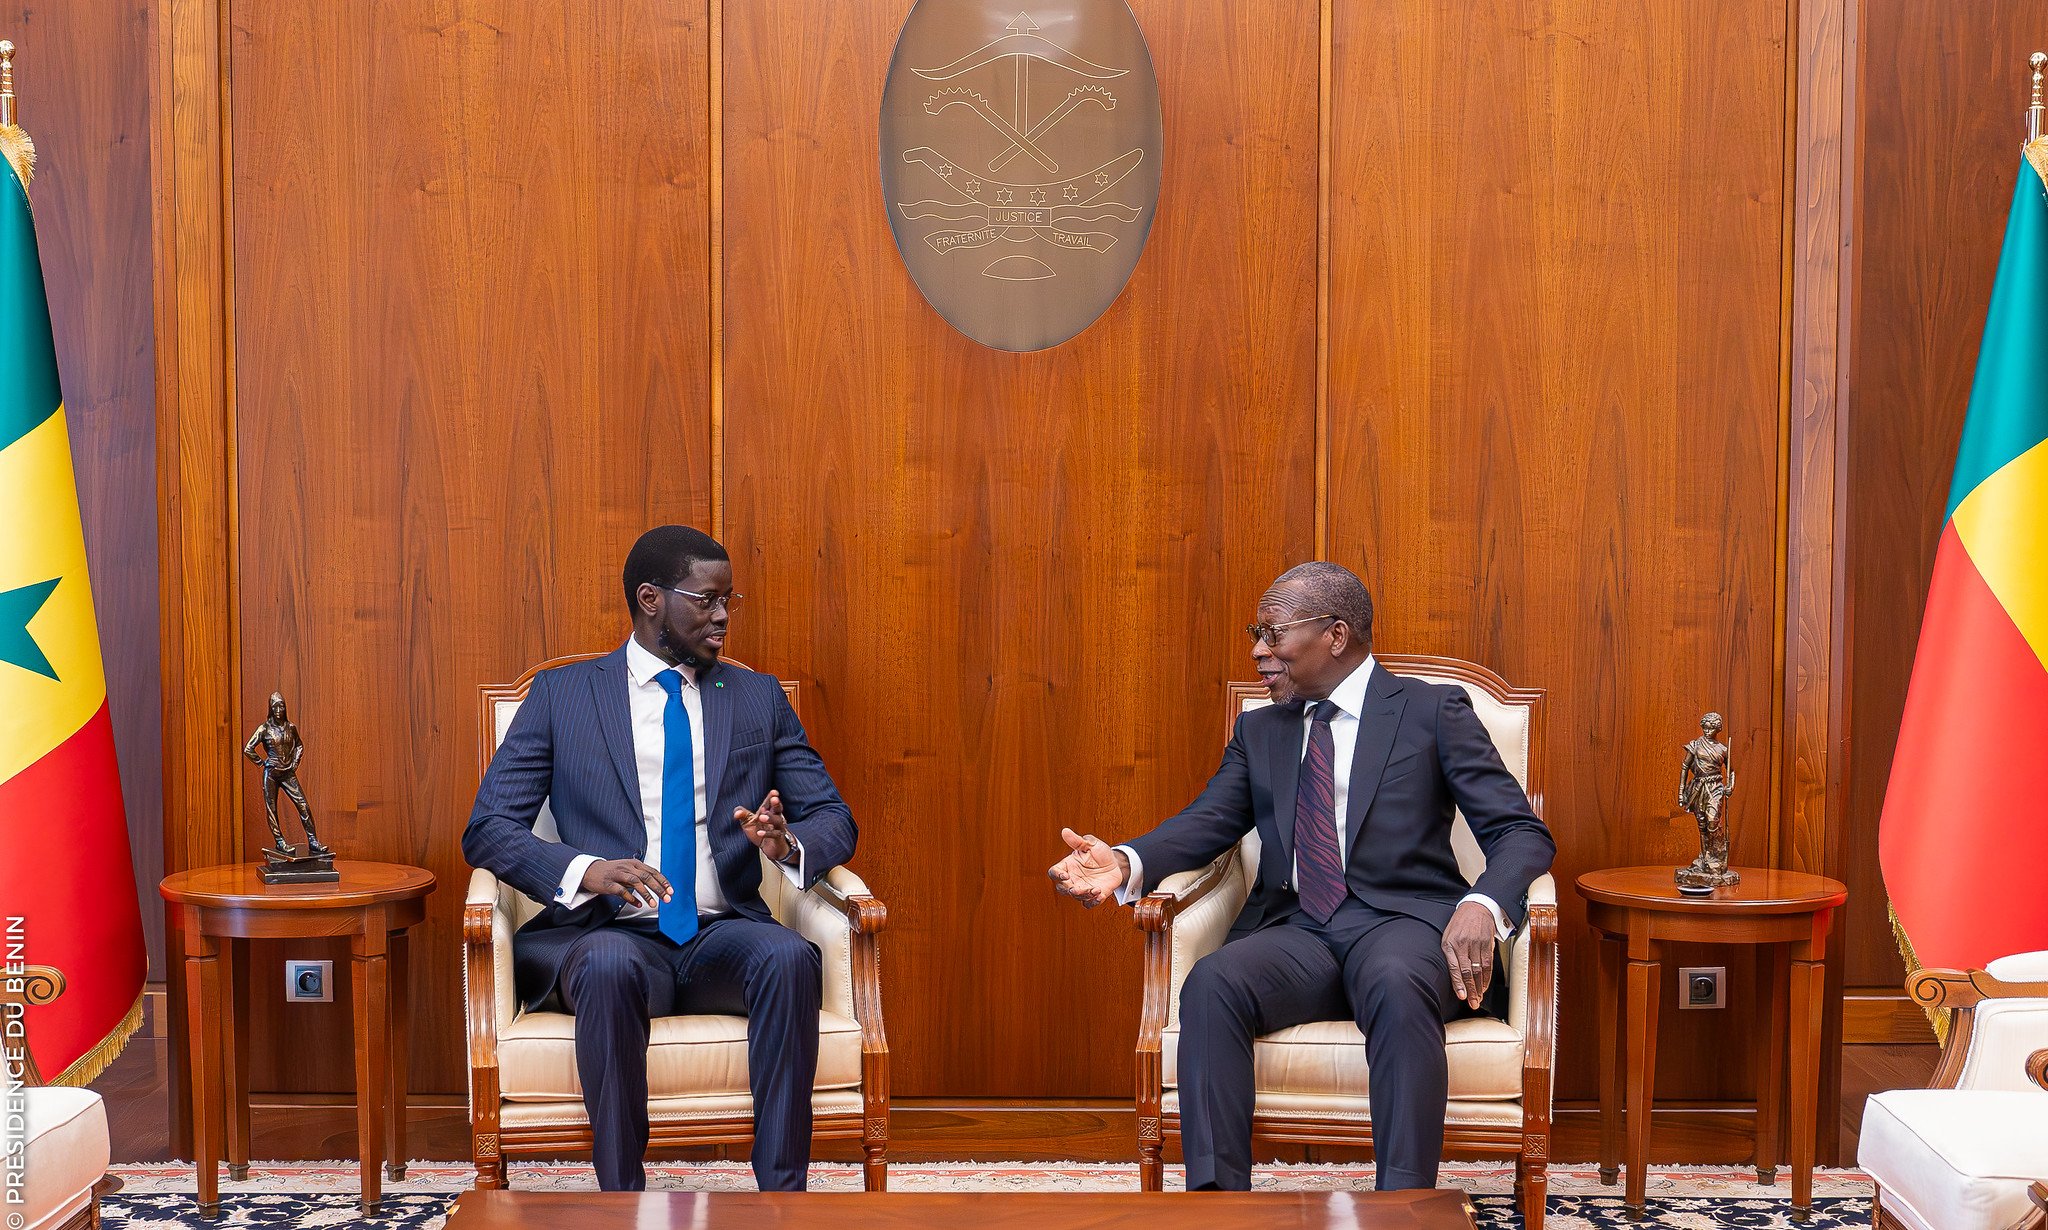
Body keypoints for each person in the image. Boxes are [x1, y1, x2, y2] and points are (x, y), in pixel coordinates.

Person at [1048, 561, 1554, 1192]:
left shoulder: (1431, 711)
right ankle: (1218, 1206)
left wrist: (1483, 904)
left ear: (1335, 635)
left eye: (1274, 634)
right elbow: (1210, 821)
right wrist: (1127, 860)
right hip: (1301, 931)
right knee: (1212, 982)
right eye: (1256, 634)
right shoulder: (1261, 728)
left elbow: (1520, 830)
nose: (1260, 652)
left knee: (1396, 982)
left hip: (1406, 925)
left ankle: (1402, 1207)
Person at [463, 525, 856, 1192]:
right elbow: (489, 828)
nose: (724, 616)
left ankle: (784, 1202)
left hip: (721, 932)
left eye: (730, 600)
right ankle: (622, 1199)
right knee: (612, 965)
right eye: (706, 600)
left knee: (789, 957)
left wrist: (784, 845)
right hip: (607, 935)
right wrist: (586, 870)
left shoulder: (757, 699)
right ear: (651, 599)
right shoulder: (563, 698)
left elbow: (833, 819)